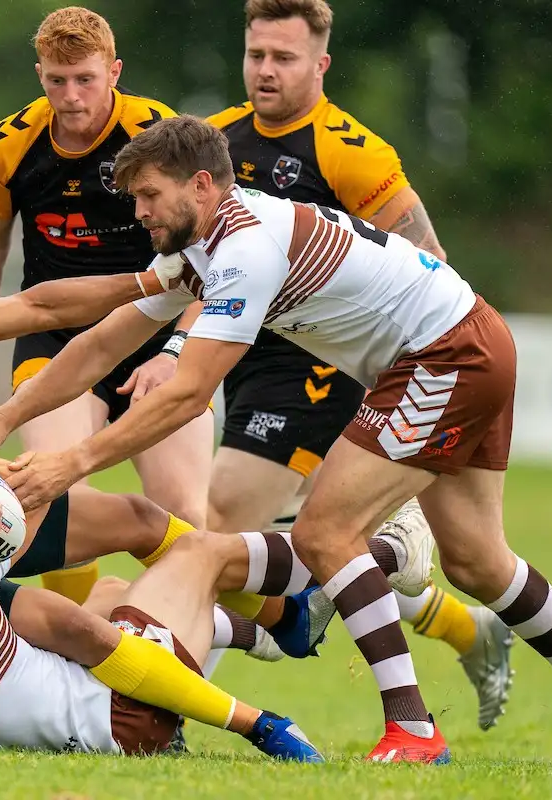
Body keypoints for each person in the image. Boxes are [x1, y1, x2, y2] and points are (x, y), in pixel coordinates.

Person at [0, 116, 552, 765]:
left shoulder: (244, 248)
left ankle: (412, 726)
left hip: (445, 355)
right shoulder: (206, 242)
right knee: (474, 561)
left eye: (148, 195)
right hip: (464, 339)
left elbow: (188, 393)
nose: (138, 212)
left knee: (324, 532)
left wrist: (72, 463)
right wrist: (8, 412)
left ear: (202, 185)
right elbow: (103, 337)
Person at [0, 236, 331, 674]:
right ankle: (165, 711)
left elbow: (40, 306)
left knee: (140, 518)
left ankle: (284, 617)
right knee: (77, 629)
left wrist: (151, 283)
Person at [199, 0, 510, 732]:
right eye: (256, 55)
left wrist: (406, 390)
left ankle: (161, 709)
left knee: (219, 524)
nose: (266, 70)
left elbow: (434, 268)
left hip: (321, 367)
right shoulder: (215, 140)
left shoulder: (351, 151)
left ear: (320, 64)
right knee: (304, 548)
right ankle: (457, 622)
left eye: (283, 58)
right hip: (247, 358)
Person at [0, 6, 214, 604]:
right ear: (40, 75)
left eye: (86, 80)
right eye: (55, 80)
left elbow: (214, 256)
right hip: (56, 336)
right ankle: (73, 651)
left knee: (184, 515)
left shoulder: (159, 135)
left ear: (115, 72)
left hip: (155, 337)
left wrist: (178, 348)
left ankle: (156, 645)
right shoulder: (8, 144)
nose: (70, 97)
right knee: (50, 489)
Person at [0, 500, 324, 761]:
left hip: (79, 733)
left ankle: (264, 635)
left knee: (113, 592)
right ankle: (310, 598)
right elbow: (21, 511)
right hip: (127, 718)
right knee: (196, 554)